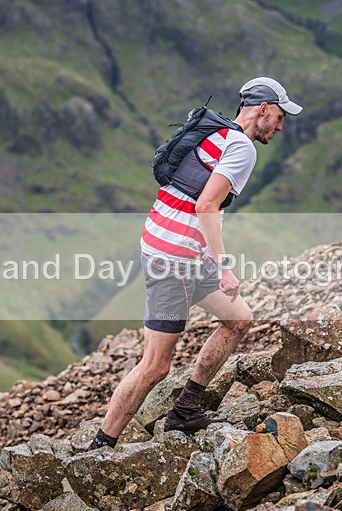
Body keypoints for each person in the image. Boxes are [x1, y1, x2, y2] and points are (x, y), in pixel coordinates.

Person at [88, 77, 302, 450]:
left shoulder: (216, 133)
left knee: (239, 320)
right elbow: (206, 206)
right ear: (263, 109)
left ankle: (186, 408)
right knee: (155, 366)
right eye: (280, 116)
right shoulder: (241, 148)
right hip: (175, 258)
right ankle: (101, 446)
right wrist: (224, 266)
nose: (281, 127)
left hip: (168, 243)